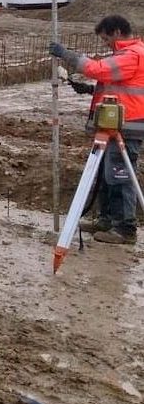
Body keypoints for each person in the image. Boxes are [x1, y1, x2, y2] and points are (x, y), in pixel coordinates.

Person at [50, 15, 144, 244]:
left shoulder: (133, 55)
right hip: (113, 124)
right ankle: (106, 220)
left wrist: (66, 54)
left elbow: (98, 69)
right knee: (104, 175)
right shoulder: (124, 54)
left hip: (126, 127)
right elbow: (119, 87)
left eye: (105, 39)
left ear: (117, 33)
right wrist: (91, 90)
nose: (104, 43)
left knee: (120, 176)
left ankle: (124, 228)